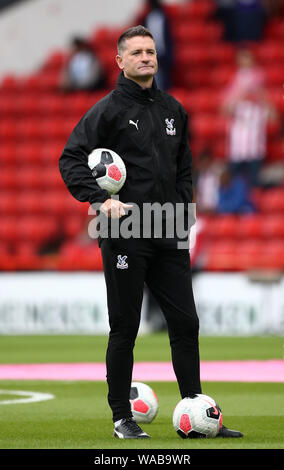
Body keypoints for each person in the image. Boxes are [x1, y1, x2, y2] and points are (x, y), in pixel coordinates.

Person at [59, 25, 243, 440]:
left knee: (186, 324)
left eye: (151, 50)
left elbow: (183, 168)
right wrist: (98, 199)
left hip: (168, 230)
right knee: (125, 327)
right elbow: (70, 158)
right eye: (137, 52)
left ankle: (196, 411)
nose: (146, 57)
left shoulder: (174, 110)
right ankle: (122, 417)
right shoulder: (105, 111)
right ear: (120, 61)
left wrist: (185, 210)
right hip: (125, 231)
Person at [221, 49, 277, 187]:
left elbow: (274, 118)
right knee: (233, 184)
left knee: (254, 186)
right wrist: (239, 93)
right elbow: (224, 111)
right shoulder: (233, 87)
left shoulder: (261, 90)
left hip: (255, 147)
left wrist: (259, 95)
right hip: (237, 148)